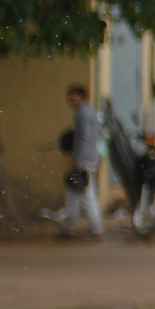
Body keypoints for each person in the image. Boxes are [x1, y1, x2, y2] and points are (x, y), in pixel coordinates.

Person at [60, 85, 105, 240]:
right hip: (90, 158)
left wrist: (79, 161)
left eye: (75, 96)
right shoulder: (89, 112)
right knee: (74, 192)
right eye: (70, 96)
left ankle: (96, 229)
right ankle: (70, 227)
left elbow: (84, 138)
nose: (71, 100)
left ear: (82, 97)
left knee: (87, 195)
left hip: (84, 161)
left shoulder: (83, 114)